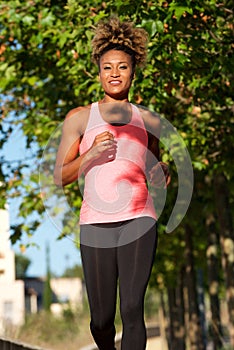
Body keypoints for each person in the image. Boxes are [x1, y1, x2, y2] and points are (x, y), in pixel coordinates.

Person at [54, 16, 170, 350]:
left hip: (139, 216)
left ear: (134, 71)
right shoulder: (79, 118)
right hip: (95, 222)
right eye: (108, 67)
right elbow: (60, 176)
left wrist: (161, 171)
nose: (115, 73)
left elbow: (154, 165)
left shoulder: (148, 120)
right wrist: (88, 156)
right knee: (101, 320)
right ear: (99, 71)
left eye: (122, 66)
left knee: (133, 308)